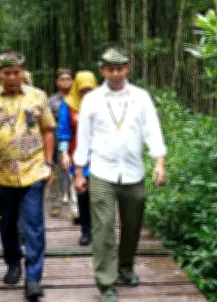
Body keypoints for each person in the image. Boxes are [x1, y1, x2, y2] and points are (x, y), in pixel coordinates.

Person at [74, 46, 167, 302]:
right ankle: (106, 282)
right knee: (103, 227)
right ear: (102, 71)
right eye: (110, 69)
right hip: (101, 171)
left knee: (132, 225)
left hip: (133, 172)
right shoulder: (92, 99)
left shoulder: (141, 97)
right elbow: (84, 137)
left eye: (120, 69)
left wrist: (159, 161)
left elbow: (152, 129)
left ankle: (125, 269)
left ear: (127, 69)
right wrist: (79, 171)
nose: (115, 74)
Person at [0, 51, 56, 300]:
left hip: (33, 169)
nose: (12, 77)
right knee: (7, 222)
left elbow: (48, 129)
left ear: (23, 72)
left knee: (33, 223)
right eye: (7, 73)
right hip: (2, 173)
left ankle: (33, 277)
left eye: (16, 72)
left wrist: (49, 162)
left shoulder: (38, 96)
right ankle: (12, 263)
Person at [56, 71, 98, 245]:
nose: (86, 93)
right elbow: (63, 132)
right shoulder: (68, 105)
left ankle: (100, 230)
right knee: (82, 193)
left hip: (101, 156)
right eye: (82, 90)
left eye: (89, 89)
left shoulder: (103, 103)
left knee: (100, 195)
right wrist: (64, 153)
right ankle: (86, 231)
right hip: (79, 156)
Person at [48, 68, 74, 217]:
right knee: (58, 168)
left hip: (75, 138)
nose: (65, 82)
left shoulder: (78, 98)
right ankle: (56, 201)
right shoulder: (51, 101)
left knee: (74, 168)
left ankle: (73, 202)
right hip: (58, 138)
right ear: (57, 82)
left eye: (68, 79)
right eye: (62, 79)